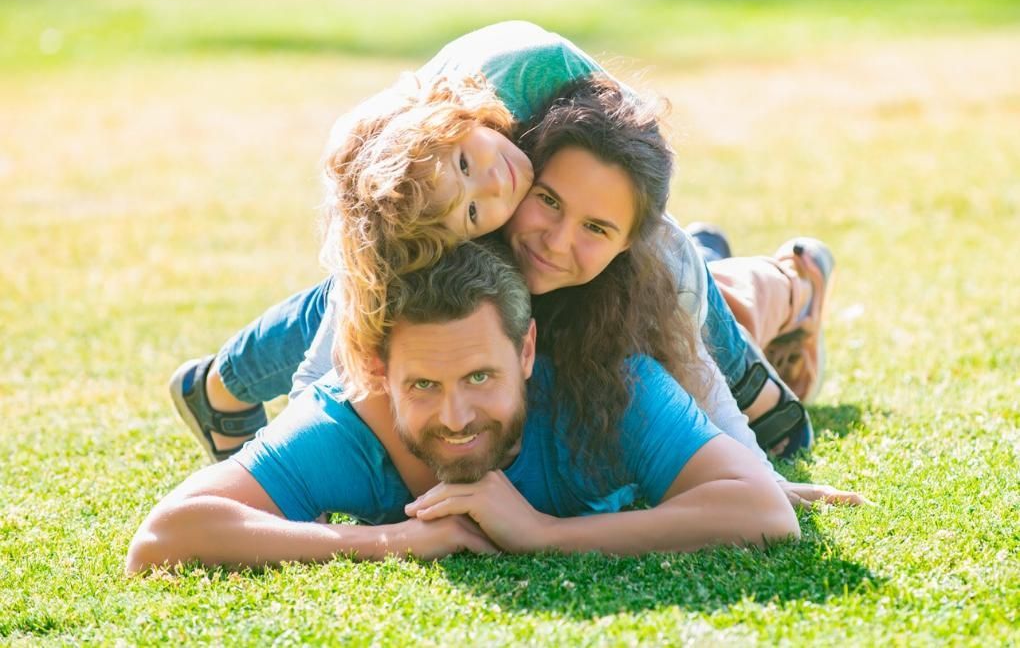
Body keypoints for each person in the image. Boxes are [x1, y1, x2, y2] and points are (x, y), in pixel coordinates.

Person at [170, 24, 841, 502]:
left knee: (687, 277)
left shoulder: (534, 99)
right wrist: (308, 452)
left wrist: (752, 464)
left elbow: (691, 350)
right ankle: (219, 385)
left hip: (654, 259)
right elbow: (343, 346)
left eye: (471, 164)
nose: (495, 189)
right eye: (543, 201)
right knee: (368, 292)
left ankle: (791, 284)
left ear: (475, 120)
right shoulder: (437, 207)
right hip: (431, 235)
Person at [125, 240, 800, 572]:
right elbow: (163, 536)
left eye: (480, 376)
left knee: (731, 293)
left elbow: (765, 512)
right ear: (383, 372)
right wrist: (395, 541)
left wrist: (544, 533)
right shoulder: (349, 420)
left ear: (527, 350)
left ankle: (797, 281)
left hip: (683, 293)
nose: (454, 415)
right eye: (423, 385)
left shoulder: (607, 385)